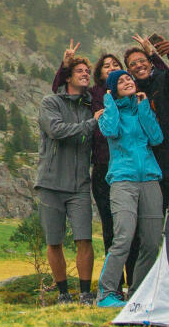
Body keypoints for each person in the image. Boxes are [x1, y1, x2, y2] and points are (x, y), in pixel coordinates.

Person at [95, 68, 163, 307]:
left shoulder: (142, 109)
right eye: (120, 81)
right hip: (123, 180)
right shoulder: (110, 113)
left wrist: (144, 108)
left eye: (128, 78)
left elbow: (156, 138)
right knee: (123, 236)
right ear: (113, 89)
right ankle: (106, 294)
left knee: (153, 241)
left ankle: (137, 294)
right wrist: (109, 101)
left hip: (150, 179)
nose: (127, 81)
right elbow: (110, 131)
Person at [34, 54, 97, 305]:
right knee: (54, 240)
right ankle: (63, 294)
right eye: (79, 71)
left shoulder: (91, 105)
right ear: (68, 77)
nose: (85, 74)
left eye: (87, 71)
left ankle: (85, 293)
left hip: (80, 184)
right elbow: (56, 130)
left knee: (84, 238)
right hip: (50, 183)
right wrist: (92, 125)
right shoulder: (50, 103)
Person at [52, 43, 125, 255]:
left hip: (129, 167)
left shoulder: (132, 92)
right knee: (110, 226)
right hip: (104, 166)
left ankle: (136, 283)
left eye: (116, 64)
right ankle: (114, 284)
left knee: (132, 227)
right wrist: (65, 66)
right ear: (100, 73)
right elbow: (60, 90)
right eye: (106, 66)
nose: (111, 68)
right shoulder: (92, 95)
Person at [124, 32, 169, 209]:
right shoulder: (132, 96)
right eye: (133, 64)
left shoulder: (165, 81)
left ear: (150, 63)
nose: (138, 65)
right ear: (129, 71)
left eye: (142, 61)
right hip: (154, 167)